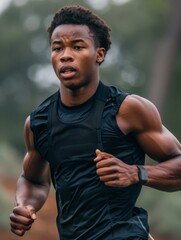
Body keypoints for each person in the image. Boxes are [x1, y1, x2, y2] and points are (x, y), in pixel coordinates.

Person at [10, 5, 181, 240]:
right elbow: (33, 179)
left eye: (77, 47)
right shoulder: (38, 122)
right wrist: (26, 205)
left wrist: (136, 173)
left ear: (99, 54)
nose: (65, 55)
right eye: (57, 48)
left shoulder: (128, 110)